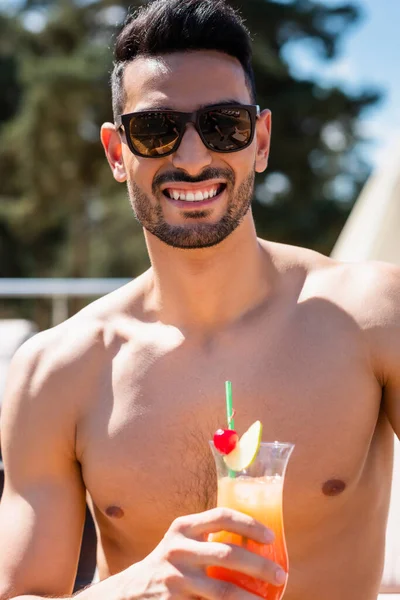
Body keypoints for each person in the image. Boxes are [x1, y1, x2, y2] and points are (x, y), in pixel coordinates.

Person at [0, 0, 399, 599]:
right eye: (156, 131)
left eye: (223, 126)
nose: (191, 159)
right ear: (117, 153)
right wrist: (134, 589)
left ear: (259, 141)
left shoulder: (373, 317)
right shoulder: (56, 371)